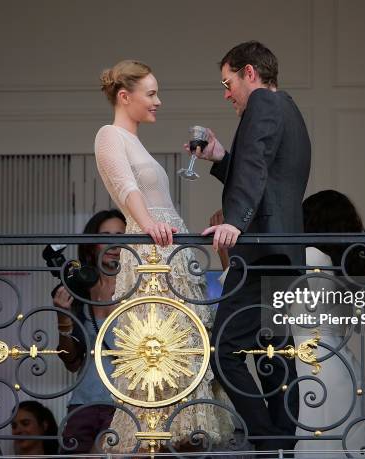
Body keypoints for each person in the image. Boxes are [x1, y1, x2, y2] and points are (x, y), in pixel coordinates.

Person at [94, 60, 233, 452]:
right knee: (157, 350)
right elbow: (125, 187)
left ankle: (179, 435)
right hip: (149, 251)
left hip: (167, 250)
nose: (158, 101)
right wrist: (148, 223)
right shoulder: (110, 135)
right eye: (151, 93)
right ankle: (153, 437)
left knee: (183, 347)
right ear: (126, 96)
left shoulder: (134, 140)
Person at [194, 41, 311, 452]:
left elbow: (258, 166)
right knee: (273, 350)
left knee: (224, 350)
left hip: (261, 253)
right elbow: (266, 178)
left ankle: (269, 442)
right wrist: (221, 157)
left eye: (228, 83)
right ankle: (281, 443)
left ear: (250, 73)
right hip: (279, 252)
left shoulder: (262, 101)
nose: (227, 93)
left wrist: (232, 222)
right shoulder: (289, 109)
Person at [294, 190, 365, 456]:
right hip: (339, 362)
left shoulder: (312, 258)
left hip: (313, 366)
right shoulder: (339, 265)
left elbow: (265, 302)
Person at [54, 209, 126, 454]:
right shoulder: (80, 288)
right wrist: (62, 315)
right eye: (106, 235)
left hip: (126, 404)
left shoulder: (143, 288)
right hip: (83, 402)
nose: (114, 243)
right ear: (92, 244)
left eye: (121, 235)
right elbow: (71, 362)